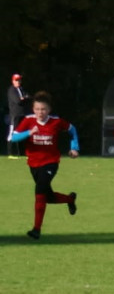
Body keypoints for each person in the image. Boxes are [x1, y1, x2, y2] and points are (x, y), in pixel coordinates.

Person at [10, 91, 78, 239]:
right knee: (47, 197)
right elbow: (13, 138)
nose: (40, 112)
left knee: (39, 190)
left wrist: (74, 147)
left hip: (50, 162)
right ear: (33, 109)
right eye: (37, 109)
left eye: (44, 109)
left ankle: (36, 229)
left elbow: (72, 130)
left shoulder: (56, 121)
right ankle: (70, 199)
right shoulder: (28, 121)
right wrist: (28, 132)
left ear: (49, 110)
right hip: (33, 163)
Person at [7, 73, 30, 158]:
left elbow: (28, 97)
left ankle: (21, 153)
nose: (18, 82)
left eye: (19, 80)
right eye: (16, 80)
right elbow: (18, 101)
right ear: (13, 81)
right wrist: (24, 98)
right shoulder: (12, 90)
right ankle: (10, 153)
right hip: (15, 115)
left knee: (22, 133)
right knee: (12, 133)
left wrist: (24, 98)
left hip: (22, 114)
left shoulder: (21, 89)